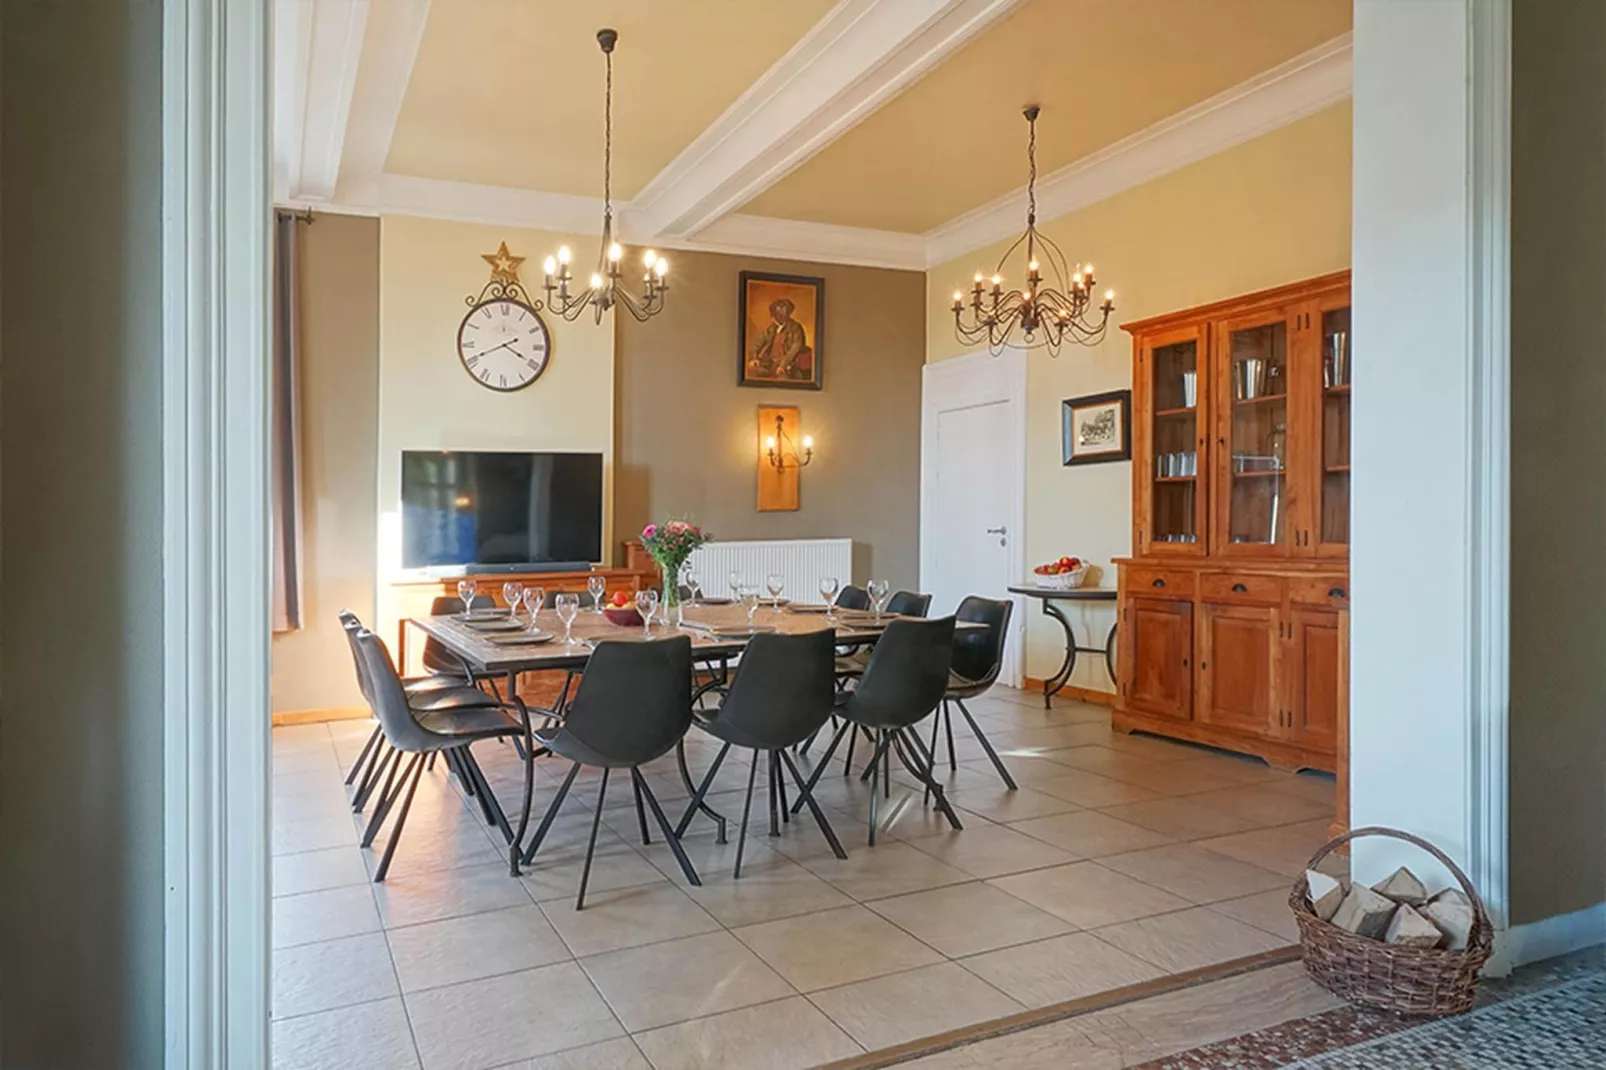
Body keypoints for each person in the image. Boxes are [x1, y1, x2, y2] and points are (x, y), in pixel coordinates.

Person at [748, 297, 812, 380]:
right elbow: (758, 343)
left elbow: (795, 349)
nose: (774, 317)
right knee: (752, 374)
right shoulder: (771, 328)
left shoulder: (796, 328)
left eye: (781, 312)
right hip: (770, 364)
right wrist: (754, 357)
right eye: (775, 313)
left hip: (790, 366)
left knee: (783, 379)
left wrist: (783, 365)